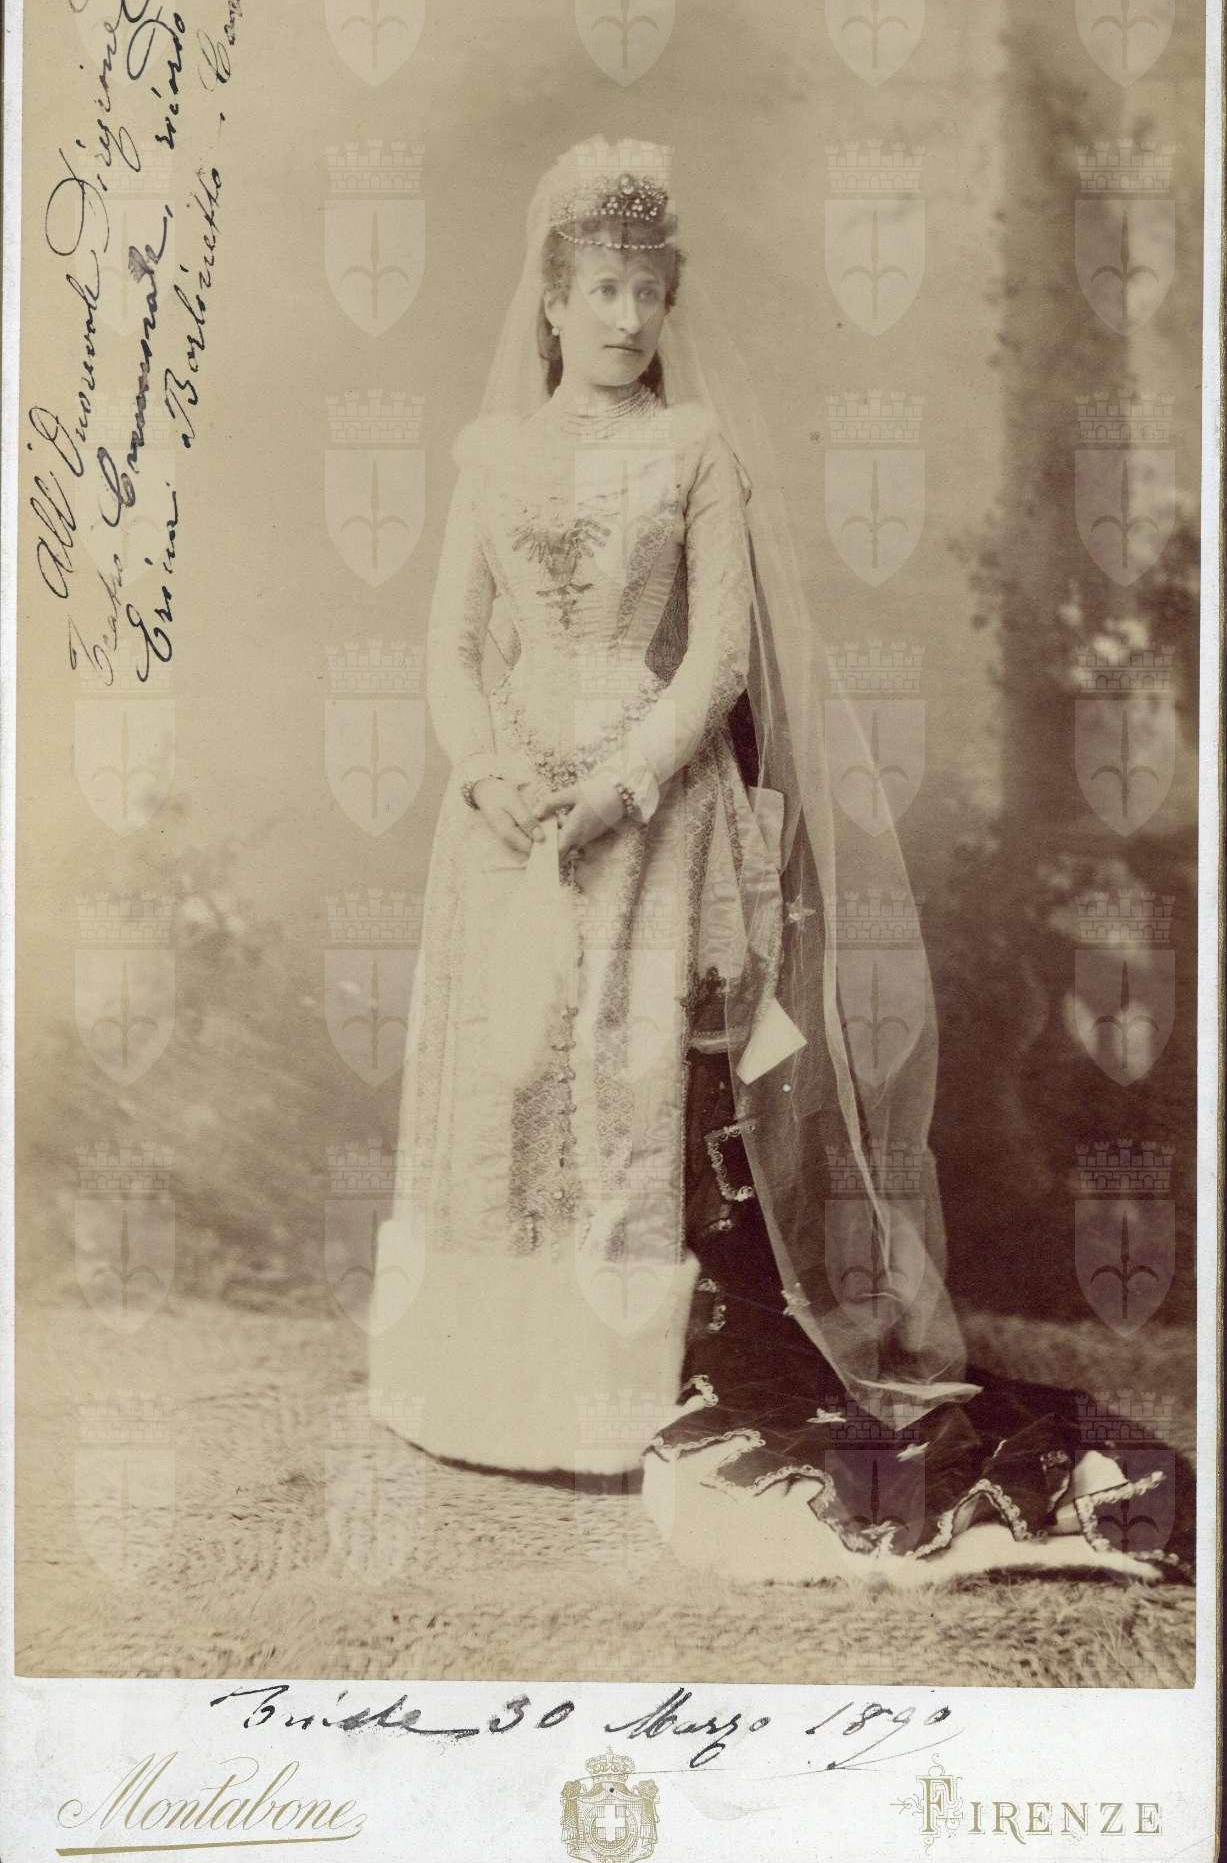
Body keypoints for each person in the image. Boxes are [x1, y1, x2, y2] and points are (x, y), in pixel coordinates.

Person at [368, 137, 1192, 1584]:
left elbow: (722, 658)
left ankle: (610, 1389)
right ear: (550, 302)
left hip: (644, 804)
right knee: (504, 1081)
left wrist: (622, 787)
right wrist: (488, 772)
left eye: (648, 292)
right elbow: (450, 648)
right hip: (505, 819)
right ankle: (483, 1390)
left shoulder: (691, 449)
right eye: (602, 289)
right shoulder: (489, 458)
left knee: (625, 1084)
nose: (628, 317)